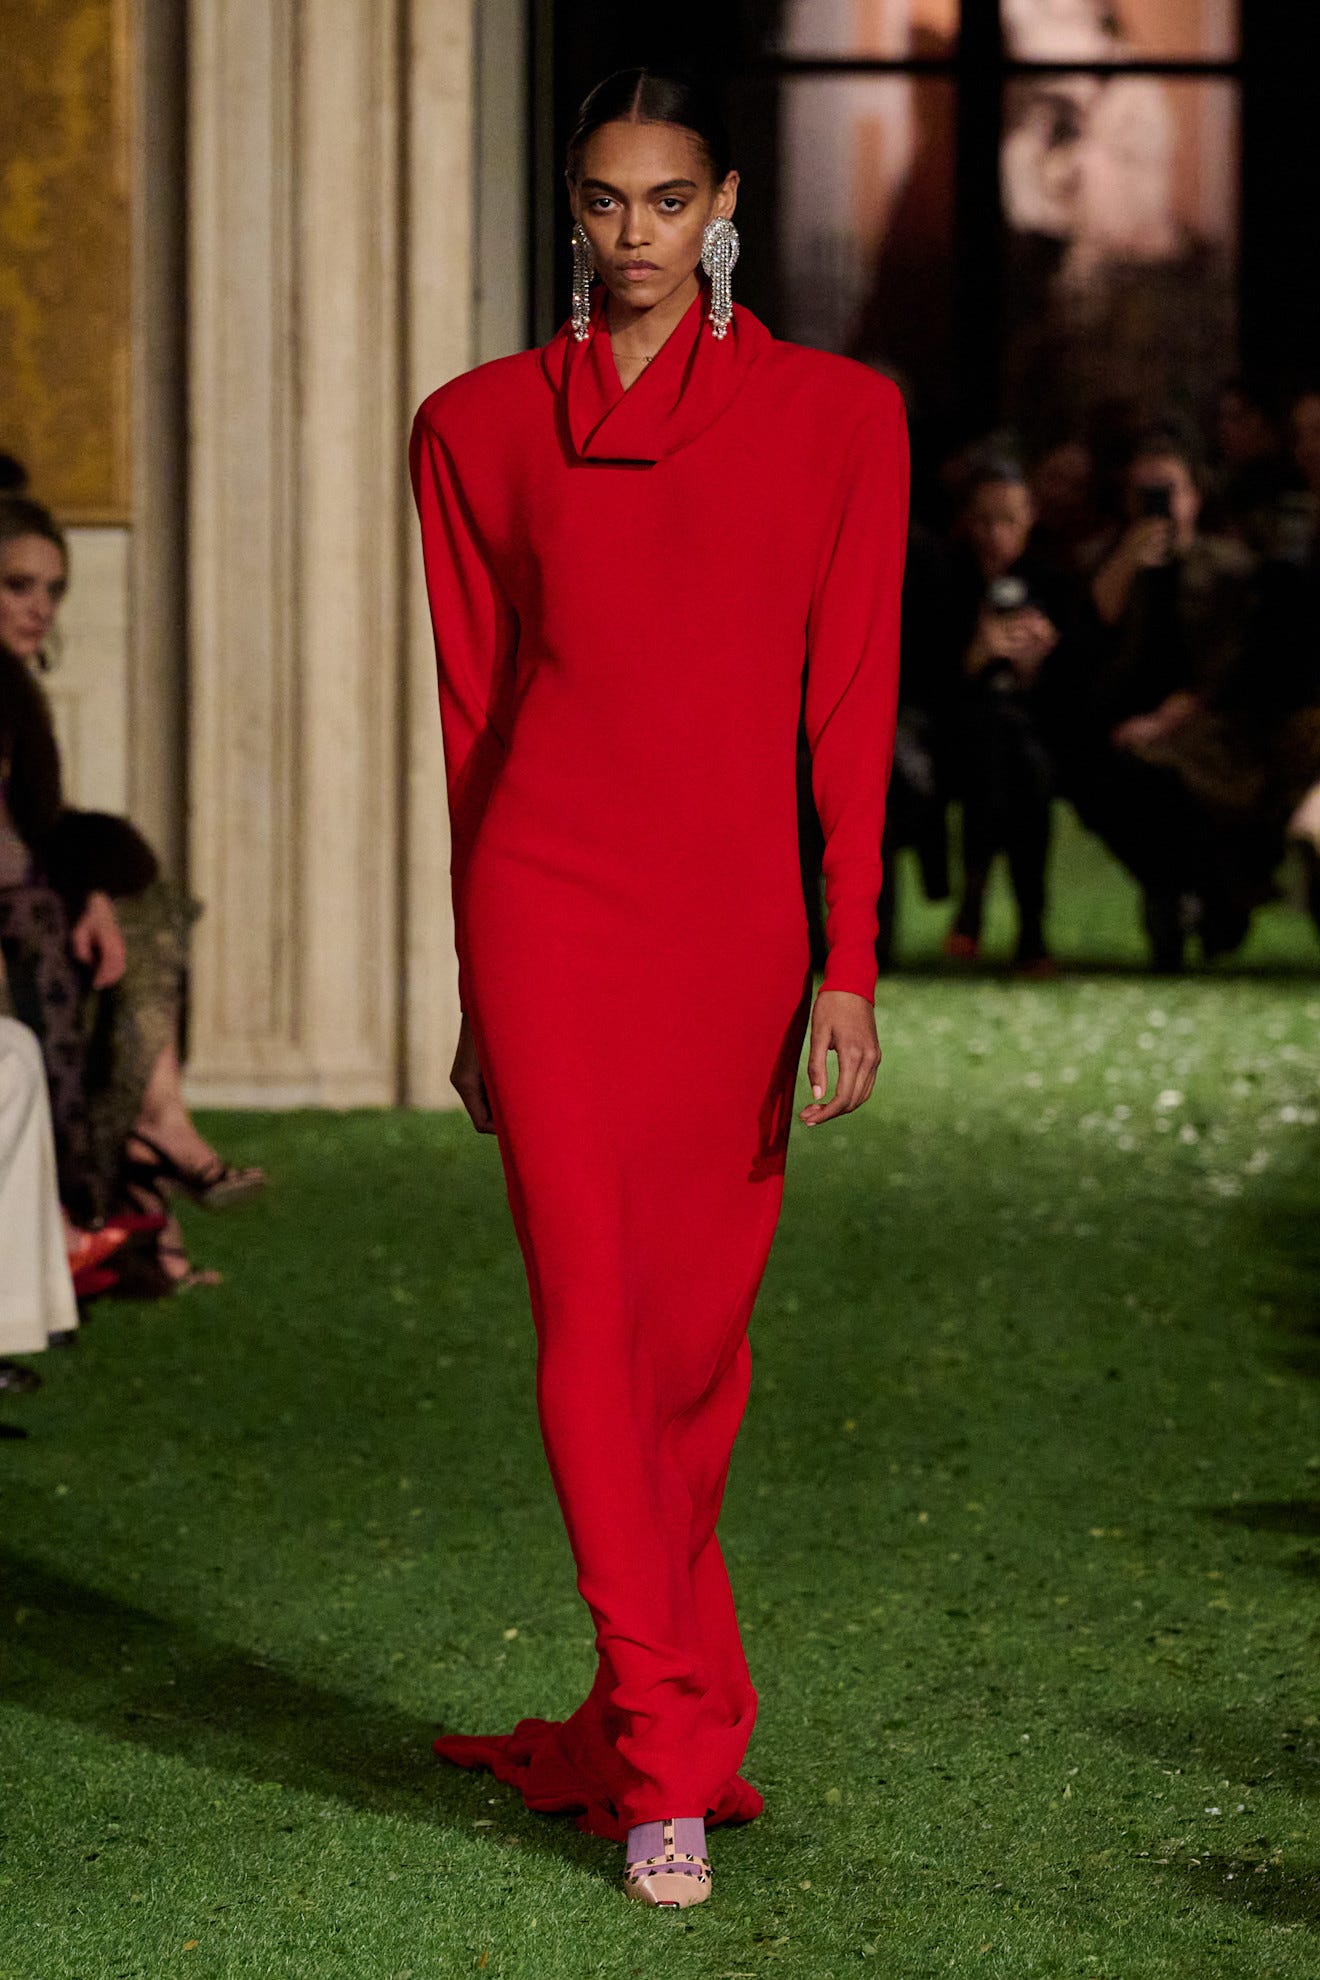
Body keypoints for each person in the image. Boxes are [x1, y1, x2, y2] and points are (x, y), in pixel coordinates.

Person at [410, 68, 907, 1908]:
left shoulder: (841, 421)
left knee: (693, 1353)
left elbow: (850, 711)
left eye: (667, 199)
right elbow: (476, 727)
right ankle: (668, 1756)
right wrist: (474, 984)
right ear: (572, 209)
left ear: (724, 210)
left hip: (732, 932)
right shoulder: (470, 430)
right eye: (604, 201)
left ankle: (654, 1713)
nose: (632, 233)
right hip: (546, 907)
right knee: (585, 1327)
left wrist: (848, 961)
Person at [0, 495, 261, 1288]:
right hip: (20, 912)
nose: (41, 608)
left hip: (29, 902)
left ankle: (143, 1160)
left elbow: (35, 832)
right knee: (97, 927)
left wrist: (93, 891)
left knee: (139, 915)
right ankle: (128, 1172)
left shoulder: (14, 689)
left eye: (54, 589)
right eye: (17, 585)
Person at [936, 462, 1077, 971]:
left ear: (1030, 519)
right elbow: (925, 680)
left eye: (1008, 520)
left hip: (1029, 738)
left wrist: (1038, 664)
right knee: (996, 749)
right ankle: (1026, 931)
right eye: (985, 520)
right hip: (957, 736)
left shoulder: (1050, 582)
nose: (996, 534)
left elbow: (1073, 687)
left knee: (1019, 760)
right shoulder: (945, 578)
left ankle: (980, 902)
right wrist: (975, 653)